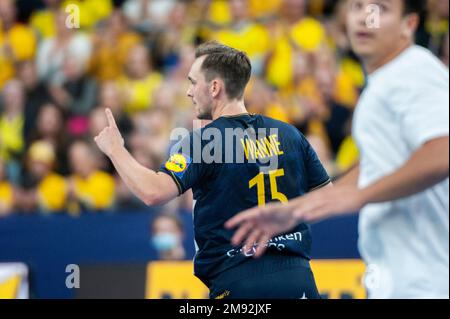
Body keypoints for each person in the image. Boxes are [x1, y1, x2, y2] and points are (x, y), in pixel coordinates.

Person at [226, 0, 449, 299]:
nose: (364, 19)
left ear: (409, 24)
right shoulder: (386, 80)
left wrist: (358, 198)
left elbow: (443, 152)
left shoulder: (414, 70)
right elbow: (376, 168)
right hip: (400, 276)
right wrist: (296, 210)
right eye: (357, 7)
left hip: (429, 278)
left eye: (380, 9)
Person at [94, 41, 331, 299]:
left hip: (239, 280)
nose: (188, 92)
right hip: (299, 279)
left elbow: (153, 192)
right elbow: (327, 198)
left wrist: (116, 150)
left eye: (193, 82)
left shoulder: (204, 141)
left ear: (214, 87)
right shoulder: (289, 134)